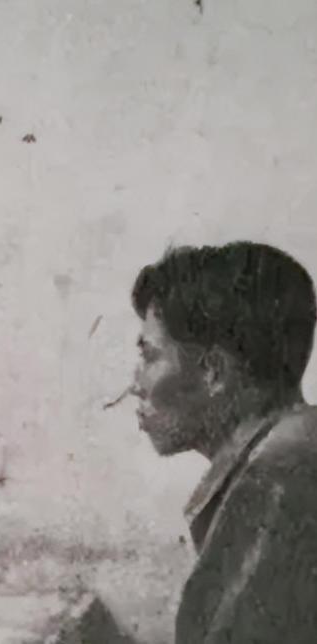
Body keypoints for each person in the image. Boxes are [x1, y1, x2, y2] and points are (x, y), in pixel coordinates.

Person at [129, 241, 317, 643]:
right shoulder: (295, 447)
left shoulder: (274, 478)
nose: (135, 385)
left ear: (213, 372)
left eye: (150, 356)